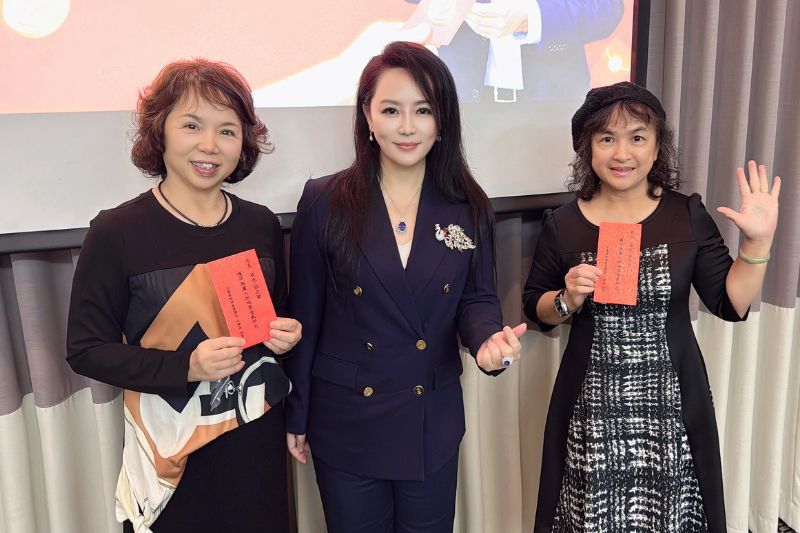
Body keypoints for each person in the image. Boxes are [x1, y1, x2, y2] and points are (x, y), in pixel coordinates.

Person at [284, 41, 526, 533]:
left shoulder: (468, 205)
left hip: (429, 418)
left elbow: (477, 298)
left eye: (424, 110)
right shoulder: (325, 199)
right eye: (391, 110)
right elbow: (304, 313)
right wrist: (298, 413)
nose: (408, 127)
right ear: (368, 117)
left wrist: (487, 342)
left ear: (443, 121)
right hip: (346, 418)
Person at [523, 82, 780, 531]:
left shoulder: (686, 214)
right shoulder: (562, 223)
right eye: (607, 138)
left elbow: (730, 302)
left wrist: (757, 245)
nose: (622, 153)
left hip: (672, 404)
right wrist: (566, 299)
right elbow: (535, 306)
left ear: (658, 146)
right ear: (587, 148)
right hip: (591, 407)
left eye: (637, 137)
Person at [66, 59, 301, 532]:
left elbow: (276, 319)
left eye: (227, 131)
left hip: (254, 442)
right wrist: (185, 368)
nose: (209, 145)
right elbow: (85, 350)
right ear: (160, 132)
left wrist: (288, 335)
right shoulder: (116, 232)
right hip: (171, 448)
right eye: (192, 125)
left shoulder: (260, 224)